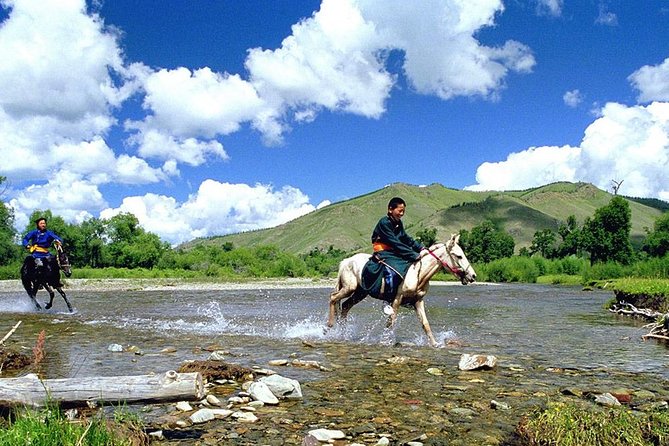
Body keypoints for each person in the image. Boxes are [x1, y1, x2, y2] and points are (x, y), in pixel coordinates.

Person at [361, 197, 425, 309]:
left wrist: (421, 248)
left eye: (403, 211)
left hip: (393, 251)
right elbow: (394, 242)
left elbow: (405, 238)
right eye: (400, 211)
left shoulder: (398, 223)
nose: (401, 213)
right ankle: (387, 299)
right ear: (390, 209)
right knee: (392, 271)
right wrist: (414, 255)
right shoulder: (384, 223)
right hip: (382, 251)